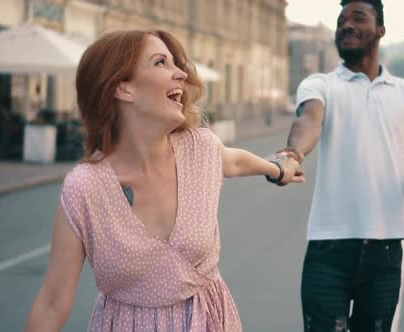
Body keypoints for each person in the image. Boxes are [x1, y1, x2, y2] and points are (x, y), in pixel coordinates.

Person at [24, 29, 304, 332]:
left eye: (176, 63)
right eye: (161, 63)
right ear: (124, 89)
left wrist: (278, 170)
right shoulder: (85, 188)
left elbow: (234, 160)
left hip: (208, 320)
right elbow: (53, 301)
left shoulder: (199, 148)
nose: (181, 74)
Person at [274, 1, 404, 331]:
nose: (346, 25)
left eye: (358, 18)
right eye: (341, 20)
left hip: (385, 251)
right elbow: (309, 121)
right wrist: (292, 155)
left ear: (380, 30)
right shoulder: (320, 84)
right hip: (328, 250)